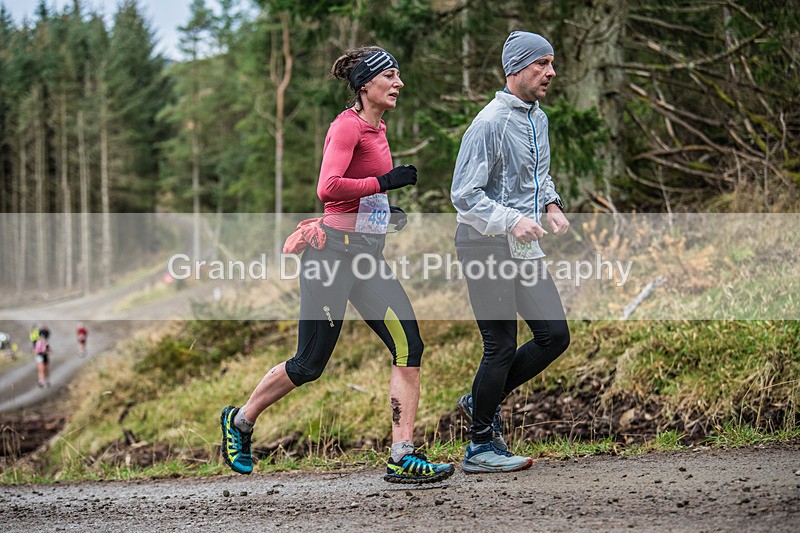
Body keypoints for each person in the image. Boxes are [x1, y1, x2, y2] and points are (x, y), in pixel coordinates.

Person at [221, 46, 454, 483]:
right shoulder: (346, 127)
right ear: (366, 85)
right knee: (309, 364)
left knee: (409, 345)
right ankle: (240, 421)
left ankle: (402, 454)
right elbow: (328, 188)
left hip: (366, 256)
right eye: (391, 76)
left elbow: (355, 193)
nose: (399, 83)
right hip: (329, 258)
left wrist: (383, 209)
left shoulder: (379, 128)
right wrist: (385, 182)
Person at [450, 31, 571, 473]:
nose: (551, 73)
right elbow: (464, 195)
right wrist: (511, 219)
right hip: (483, 242)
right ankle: (480, 446)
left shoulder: (538, 118)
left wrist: (550, 203)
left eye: (552, 64)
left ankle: (481, 397)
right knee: (499, 346)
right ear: (516, 68)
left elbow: (538, 176)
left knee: (554, 335)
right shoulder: (489, 123)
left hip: (521, 243)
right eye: (542, 64)